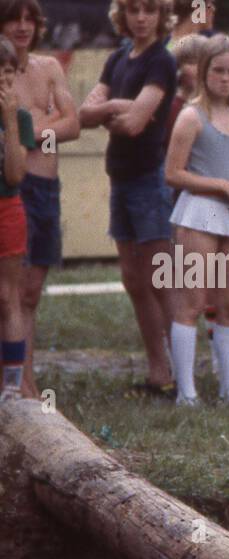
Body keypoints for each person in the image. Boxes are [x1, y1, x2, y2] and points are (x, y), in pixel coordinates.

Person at [78, 0, 178, 398]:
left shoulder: (161, 61)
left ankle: (182, 373)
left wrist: (117, 111)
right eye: (134, 10)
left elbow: (136, 124)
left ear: (160, 16)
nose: (141, 18)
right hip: (119, 178)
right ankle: (160, 372)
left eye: (149, 11)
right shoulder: (116, 59)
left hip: (148, 180)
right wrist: (118, 106)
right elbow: (83, 115)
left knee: (159, 279)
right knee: (134, 280)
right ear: (123, 14)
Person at [164, 34, 229, 407]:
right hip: (199, 214)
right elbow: (173, 173)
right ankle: (186, 392)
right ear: (203, 73)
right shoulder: (190, 116)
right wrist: (220, 184)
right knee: (191, 303)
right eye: (218, 71)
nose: (225, 78)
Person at [0, 0, 78, 400]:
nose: (23, 26)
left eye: (30, 19)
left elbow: (73, 124)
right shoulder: (2, 69)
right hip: (10, 190)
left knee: (30, 292)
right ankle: (20, 382)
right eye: (14, 18)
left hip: (43, 188)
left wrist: (32, 133)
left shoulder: (48, 68)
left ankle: (23, 377)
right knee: (9, 292)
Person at [0, 36, 33, 401]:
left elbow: (15, 175)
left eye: (7, 72)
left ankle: (11, 385)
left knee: (8, 296)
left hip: (6, 208)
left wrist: (9, 119)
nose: (2, 81)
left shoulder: (19, 117)